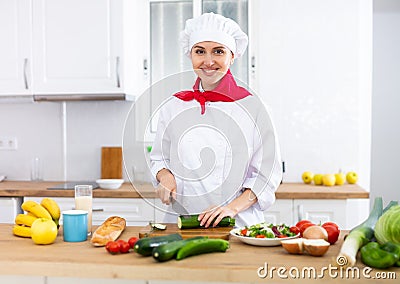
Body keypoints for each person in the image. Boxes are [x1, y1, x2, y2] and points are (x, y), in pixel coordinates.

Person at [150, 12, 282, 228]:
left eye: (218, 51)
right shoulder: (173, 107)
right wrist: (165, 177)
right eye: (200, 51)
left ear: (232, 55)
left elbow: (265, 177)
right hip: (182, 223)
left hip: (239, 225)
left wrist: (231, 209)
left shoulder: (255, 109)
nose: (208, 61)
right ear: (190, 55)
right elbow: (159, 158)